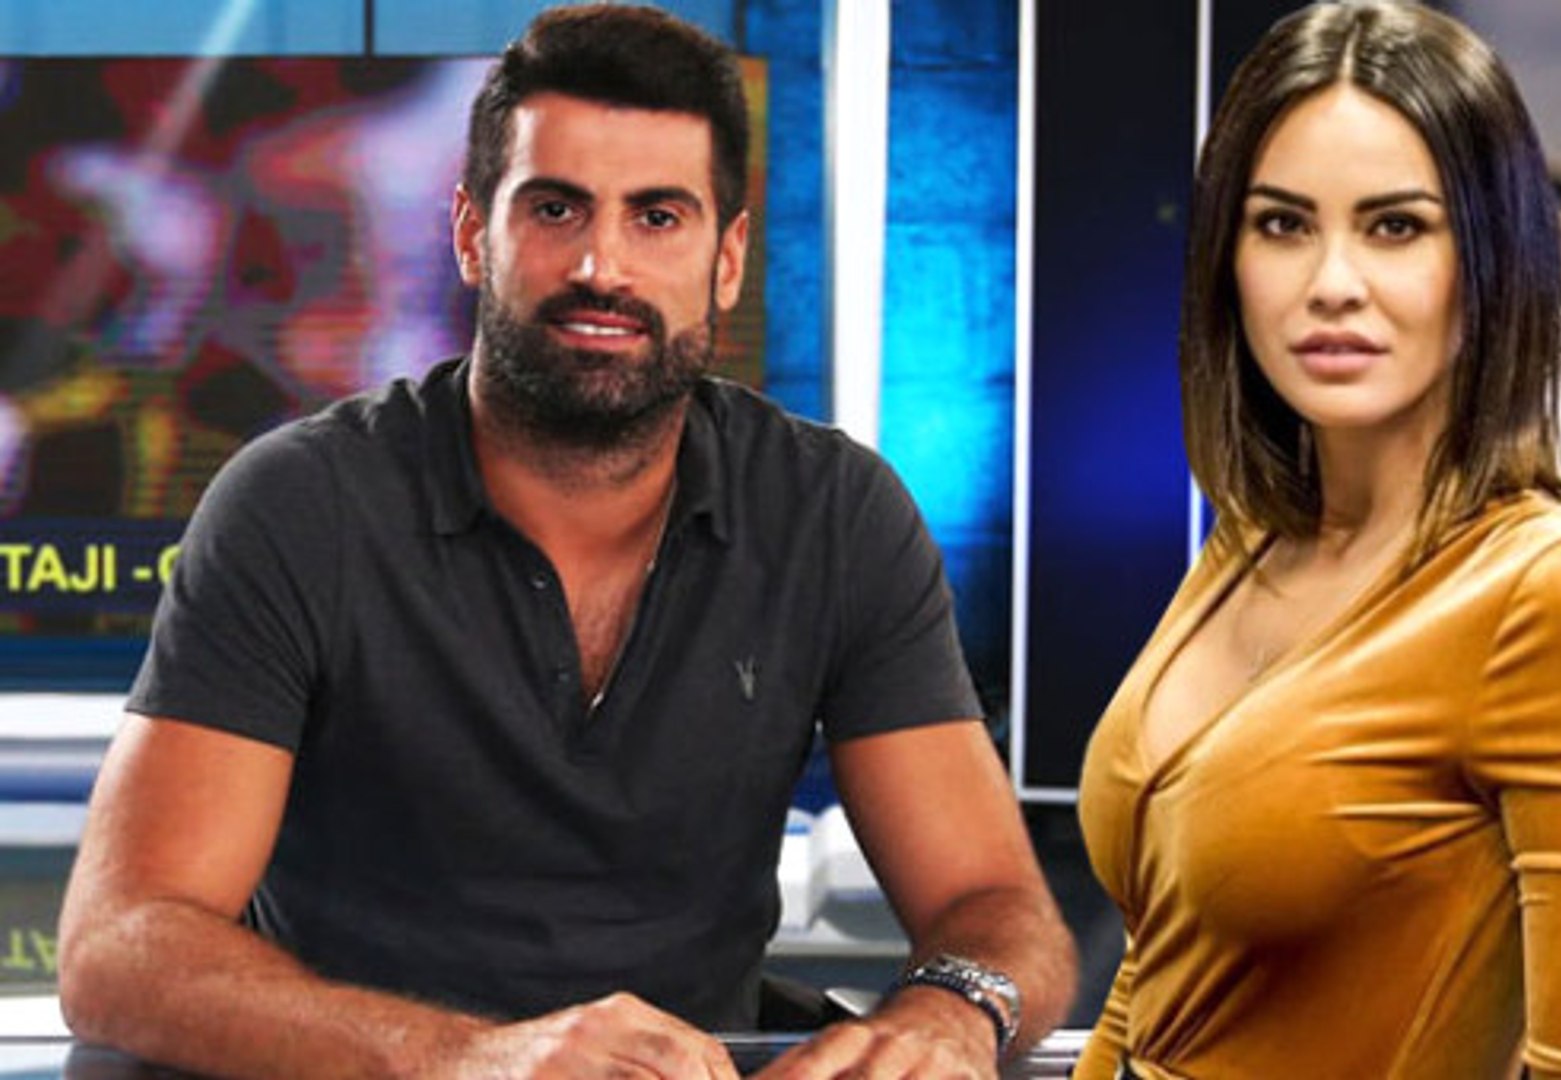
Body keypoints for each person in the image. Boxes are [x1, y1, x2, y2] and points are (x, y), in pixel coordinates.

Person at [55, 5, 1074, 1079]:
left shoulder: (834, 512)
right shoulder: (299, 503)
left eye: (658, 217)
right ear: (469, 234)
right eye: (555, 208)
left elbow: (996, 906)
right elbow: (118, 947)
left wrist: (954, 1014)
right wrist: (473, 1061)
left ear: (728, 259)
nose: (602, 266)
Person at [1073, 3, 1561, 1077]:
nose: (1331, 283)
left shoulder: (1558, 599)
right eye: (1282, 225)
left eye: (1395, 227)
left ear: (1492, 257)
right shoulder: (1253, 544)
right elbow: (1160, 974)